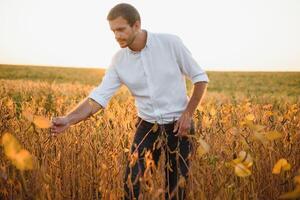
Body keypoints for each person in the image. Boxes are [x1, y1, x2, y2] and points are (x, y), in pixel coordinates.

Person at [50, 3, 209, 200]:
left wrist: (187, 115)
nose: (117, 36)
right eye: (113, 31)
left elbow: (200, 79)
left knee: (176, 190)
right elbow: (98, 98)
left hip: (179, 126)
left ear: (136, 25)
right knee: (132, 186)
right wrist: (68, 119)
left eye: (121, 29)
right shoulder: (119, 60)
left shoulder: (170, 43)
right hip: (146, 126)